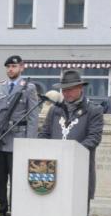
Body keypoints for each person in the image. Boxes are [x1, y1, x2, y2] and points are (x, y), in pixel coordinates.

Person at [0, 55, 40, 216]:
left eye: (14, 66)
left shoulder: (29, 88)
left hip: (18, 141)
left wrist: (29, 142)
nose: (10, 70)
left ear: (22, 67)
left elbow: (33, 117)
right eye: (8, 67)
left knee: (18, 182)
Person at [38, 69, 104, 200]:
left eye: (70, 89)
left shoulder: (94, 110)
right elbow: (44, 134)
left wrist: (71, 152)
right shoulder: (55, 110)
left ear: (80, 88)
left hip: (79, 169)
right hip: (54, 170)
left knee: (78, 212)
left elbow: (94, 138)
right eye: (64, 90)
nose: (66, 93)